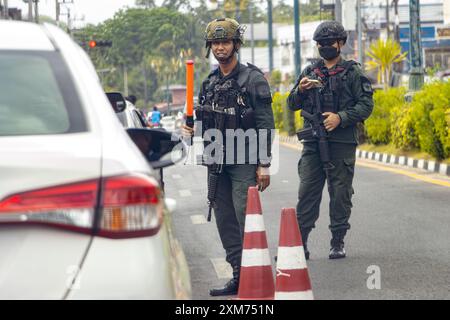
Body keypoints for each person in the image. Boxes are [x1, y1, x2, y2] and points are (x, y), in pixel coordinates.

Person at [182, 18, 275, 296]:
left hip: (244, 159)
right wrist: (189, 127)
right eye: (215, 43)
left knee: (245, 215)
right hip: (216, 159)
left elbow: (265, 124)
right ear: (209, 47)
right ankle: (238, 274)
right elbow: (202, 124)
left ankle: (257, 275)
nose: (220, 47)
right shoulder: (208, 83)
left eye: (225, 42)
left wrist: (264, 164)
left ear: (236, 44)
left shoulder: (253, 79)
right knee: (224, 220)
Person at [287, 21, 374, 260]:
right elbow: (291, 104)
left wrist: (341, 118)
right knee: (307, 192)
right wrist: (301, 90)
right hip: (313, 143)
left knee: (340, 194)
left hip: (341, 143)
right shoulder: (309, 72)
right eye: (321, 43)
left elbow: (366, 105)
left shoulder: (353, 72)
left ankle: (337, 241)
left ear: (341, 44)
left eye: (330, 42)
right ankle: (300, 244)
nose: (325, 47)